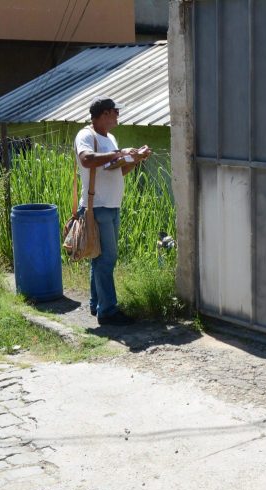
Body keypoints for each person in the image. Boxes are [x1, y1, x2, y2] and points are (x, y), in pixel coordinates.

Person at [75, 96, 152, 326]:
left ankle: (96, 304)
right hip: (96, 205)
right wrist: (119, 154)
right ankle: (107, 311)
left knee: (99, 256)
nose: (118, 115)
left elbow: (117, 171)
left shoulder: (110, 138)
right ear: (105, 114)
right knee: (106, 258)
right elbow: (87, 159)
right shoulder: (86, 135)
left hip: (110, 204)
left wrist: (135, 159)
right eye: (115, 112)